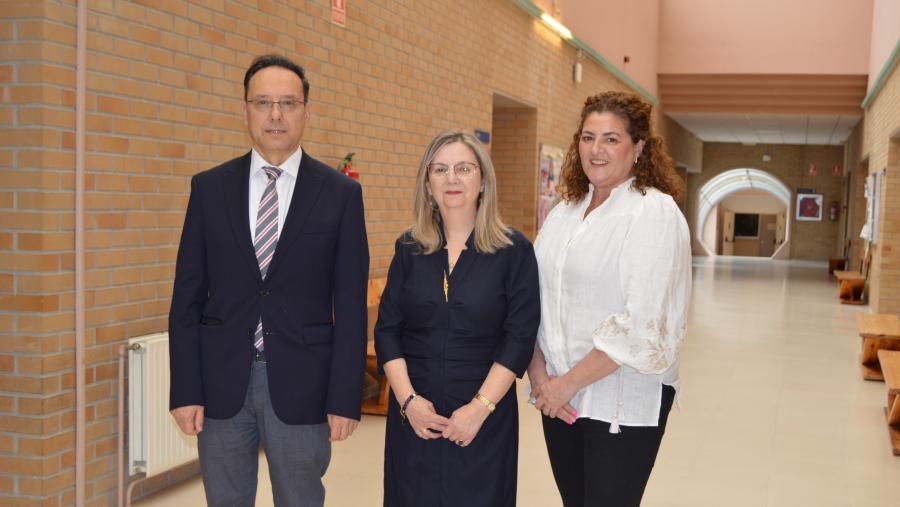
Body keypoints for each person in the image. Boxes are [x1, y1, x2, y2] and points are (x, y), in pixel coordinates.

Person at [168, 54, 369, 507]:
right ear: (245, 111)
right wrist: (185, 389)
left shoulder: (340, 195)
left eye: (288, 103)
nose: (275, 115)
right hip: (221, 384)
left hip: (305, 385)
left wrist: (344, 396)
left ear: (306, 112)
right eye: (263, 102)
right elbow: (186, 298)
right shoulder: (209, 188)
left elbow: (351, 306)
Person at [526, 91, 691, 507]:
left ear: (638, 148)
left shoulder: (652, 212)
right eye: (587, 137)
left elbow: (642, 326)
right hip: (557, 395)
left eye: (611, 139)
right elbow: (531, 297)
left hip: (620, 400)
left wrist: (564, 385)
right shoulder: (564, 211)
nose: (596, 149)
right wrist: (541, 377)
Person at [375, 131, 540, 507]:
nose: (452, 178)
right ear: (428, 183)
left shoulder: (514, 251)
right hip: (415, 416)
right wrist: (408, 402)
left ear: (482, 181)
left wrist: (478, 409)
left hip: (483, 417)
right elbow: (388, 330)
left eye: (464, 168)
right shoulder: (409, 248)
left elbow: (519, 338)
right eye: (441, 169)